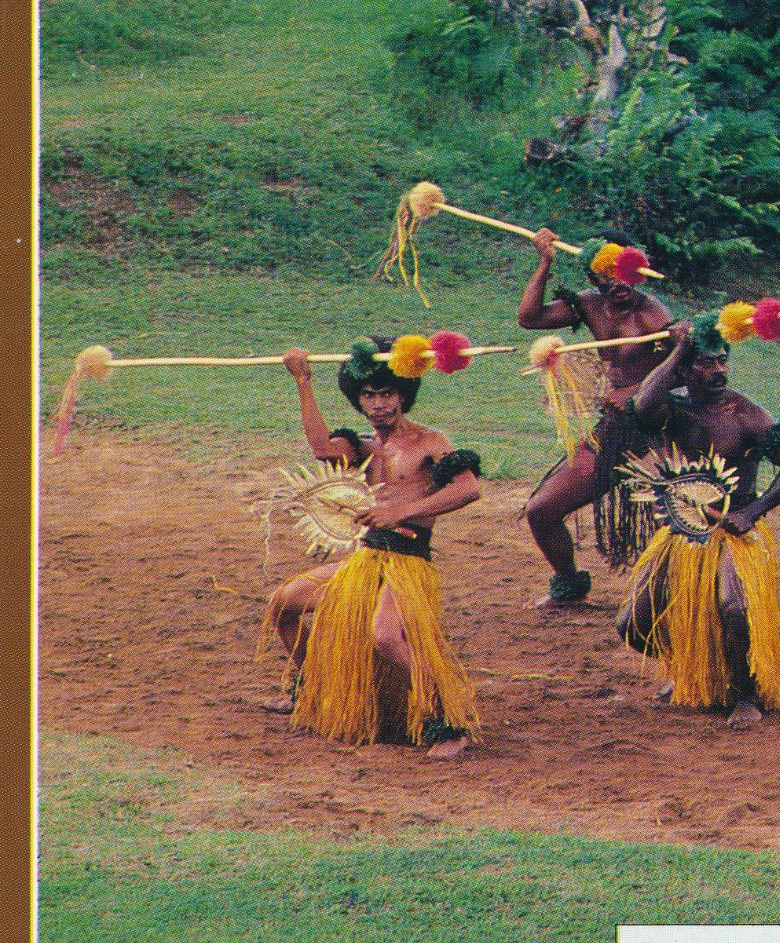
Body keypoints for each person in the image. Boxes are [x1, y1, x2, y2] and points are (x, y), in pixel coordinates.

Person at [260, 338, 483, 758]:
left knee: (385, 636)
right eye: (369, 395)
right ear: (358, 400)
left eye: (386, 394)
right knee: (282, 605)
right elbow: (322, 449)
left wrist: (402, 512)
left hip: (409, 562)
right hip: (365, 558)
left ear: (403, 395)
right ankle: (310, 687)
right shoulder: (365, 446)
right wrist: (303, 381)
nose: (379, 404)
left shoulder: (430, 442)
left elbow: (469, 489)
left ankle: (450, 719)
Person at [615, 318, 780, 727]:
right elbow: (643, 404)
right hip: (683, 531)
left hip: (732, 530)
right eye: (705, 363)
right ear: (685, 369)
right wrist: (680, 348)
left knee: (734, 606)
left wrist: (750, 512)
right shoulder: (671, 408)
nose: (718, 370)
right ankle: (691, 665)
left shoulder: (746, 413)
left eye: (722, 361)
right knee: (633, 622)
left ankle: (747, 693)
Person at [518, 227, 673, 608]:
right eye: (606, 276)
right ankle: (569, 585)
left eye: (624, 273)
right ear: (592, 277)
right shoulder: (589, 304)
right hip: (613, 431)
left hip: (658, 430)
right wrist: (545, 262)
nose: (617, 284)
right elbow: (530, 318)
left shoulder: (654, 315)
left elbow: (680, 370)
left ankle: (674, 591)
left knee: (674, 515)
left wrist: (636, 392)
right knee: (542, 511)